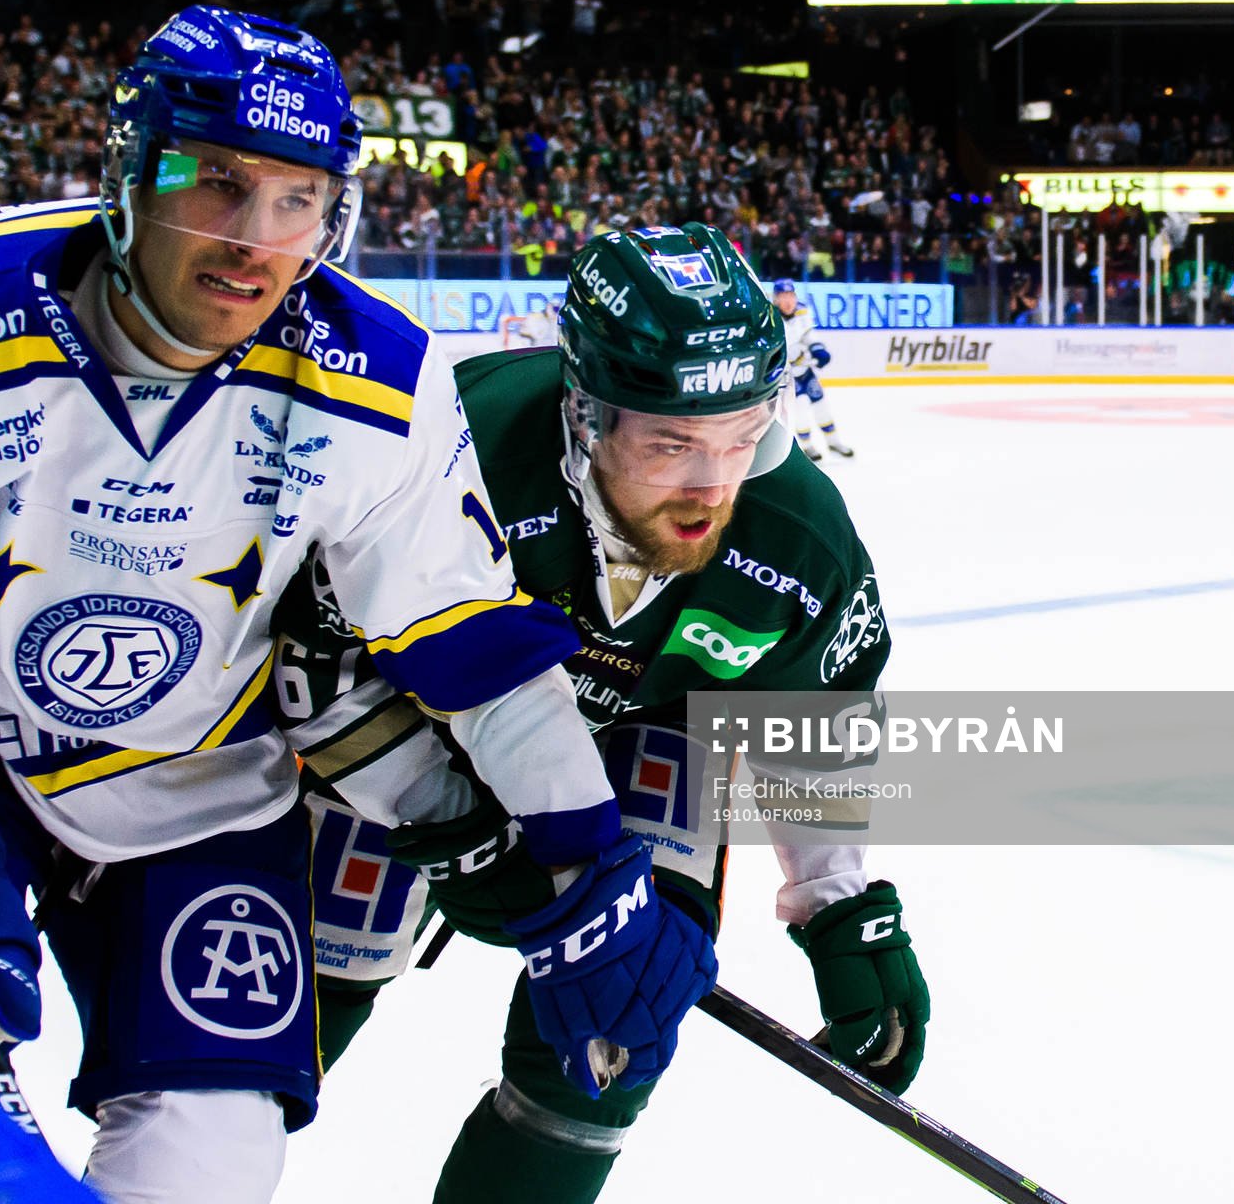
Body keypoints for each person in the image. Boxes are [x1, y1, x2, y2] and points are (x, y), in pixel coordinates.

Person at [0, 7, 713, 1204]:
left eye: (298, 201)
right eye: (216, 184)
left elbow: (473, 648)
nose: (254, 242)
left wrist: (590, 860)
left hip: (200, 785)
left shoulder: (378, 382)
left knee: (213, 1157)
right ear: (127, 174)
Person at [276, 224, 925, 1203]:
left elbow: (812, 724)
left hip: (647, 726)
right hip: (417, 705)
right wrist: (450, 816)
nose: (712, 485)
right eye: (671, 441)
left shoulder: (799, 535)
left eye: (743, 434)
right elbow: (313, 648)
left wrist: (839, 904)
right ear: (584, 414)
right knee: (301, 981)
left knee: (620, 1020)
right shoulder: (463, 447)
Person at [771, 278, 853, 459]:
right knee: (800, 409)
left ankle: (833, 442)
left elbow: (808, 335)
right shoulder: (771, 318)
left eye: (791, 295)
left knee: (821, 405)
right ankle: (807, 446)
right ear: (776, 299)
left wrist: (818, 349)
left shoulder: (802, 311)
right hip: (787, 375)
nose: (788, 301)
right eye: (783, 296)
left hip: (805, 370)